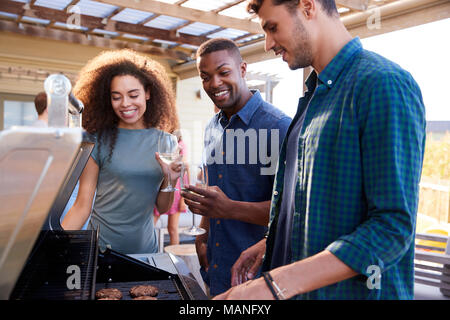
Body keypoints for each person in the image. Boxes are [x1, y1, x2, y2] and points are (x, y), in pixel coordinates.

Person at [215, 0, 426, 300]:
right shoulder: (313, 96)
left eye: (272, 28)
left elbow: (392, 228)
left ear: (308, 6)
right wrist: (272, 244)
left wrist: (276, 284)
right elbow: (308, 206)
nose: (267, 44)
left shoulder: (382, 83)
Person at [181, 38, 291, 296]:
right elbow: (212, 188)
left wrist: (229, 208)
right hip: (216, 269)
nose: (214, 83)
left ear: (242, 70)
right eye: (205, 77)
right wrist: (203, 236)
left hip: (258, 278)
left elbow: (290, 212)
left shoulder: (278, 127)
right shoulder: (211, 127)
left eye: (224, 72)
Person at [62, 49, 181, 254]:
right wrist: (54, 245)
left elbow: (162, 208)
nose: (125, 103)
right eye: (116, 97)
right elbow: (82, 206)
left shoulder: (166, 142)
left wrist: (171, 180)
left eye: (133, 95)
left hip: (146, 250)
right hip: (101, 251)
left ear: (148, 92)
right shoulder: (97, 141)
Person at [153, 131, 188, 245]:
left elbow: (185, 169)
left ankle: (175, 258)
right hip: (162, 185)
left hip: (176, 188)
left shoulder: (181, 144)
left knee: (172, 228)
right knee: (151, 225)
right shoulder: (160, 140)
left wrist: (183, 197)